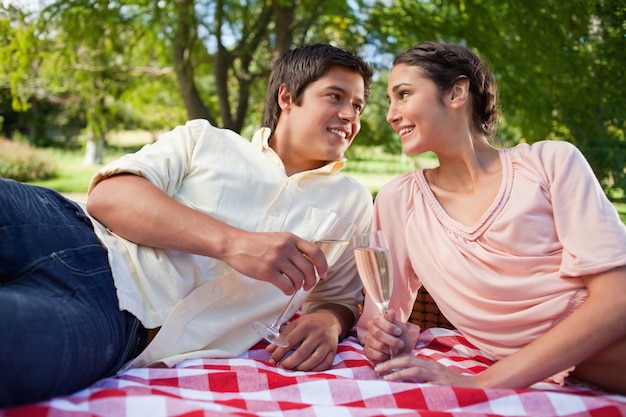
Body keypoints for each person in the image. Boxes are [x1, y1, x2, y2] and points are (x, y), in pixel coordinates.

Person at [0, 43, 374, 406]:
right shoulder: (204, 139)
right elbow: (109, 197)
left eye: (358, 105)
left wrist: (330, 321)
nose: (350, 115)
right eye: (335, 97)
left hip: (114, 323)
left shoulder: (351, 201)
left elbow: (339, 297)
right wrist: (233, 243)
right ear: (287, 98)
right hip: (68, 231)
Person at [357, 41, 626, 394]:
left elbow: (618, 299)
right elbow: (379, 318)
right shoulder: (399, 201)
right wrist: (384, 337)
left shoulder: (550, 164)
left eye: (403, 94)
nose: (391, 114)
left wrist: (484, 381)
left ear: (456, 92)